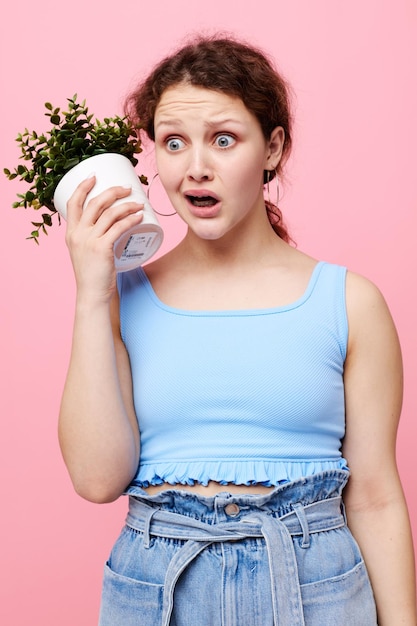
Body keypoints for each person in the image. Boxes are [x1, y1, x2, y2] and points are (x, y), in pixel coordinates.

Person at [58, 35, 417, 625]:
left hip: (314, 583)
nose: (196, 167)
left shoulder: (350, 303)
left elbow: (376, 496)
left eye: (224, 139)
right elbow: (98, 479)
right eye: (174, 143)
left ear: (273, 148)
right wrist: (92, 293)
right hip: (158, 588)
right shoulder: (119, 301)